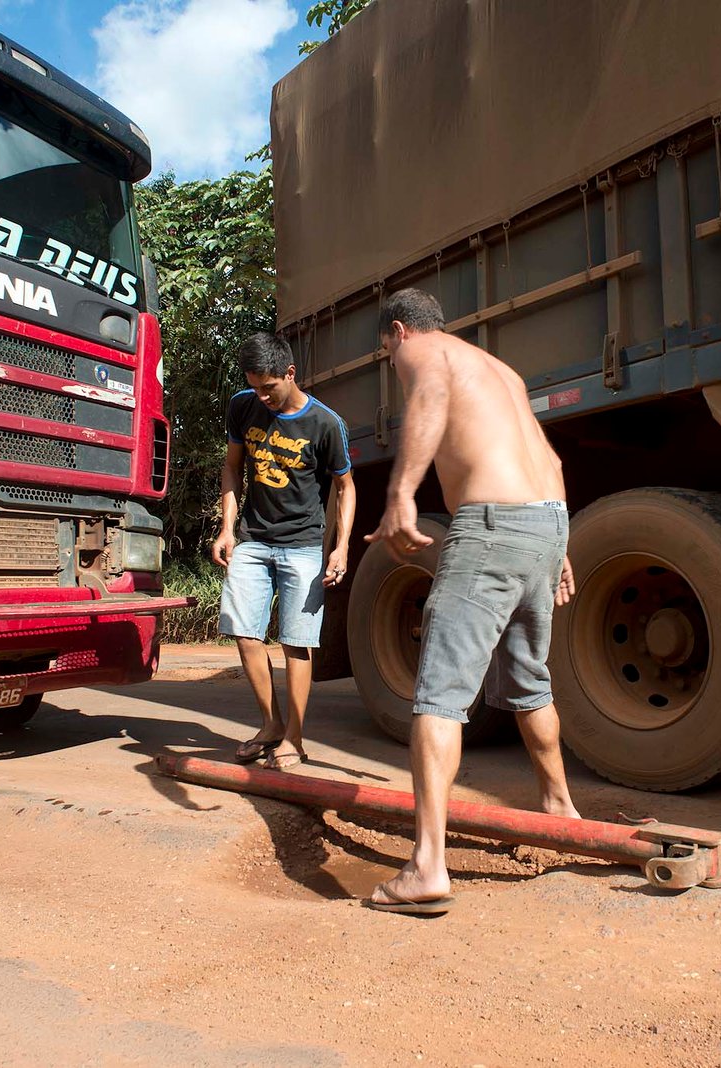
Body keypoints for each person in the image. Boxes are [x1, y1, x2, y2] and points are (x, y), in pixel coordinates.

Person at [363, 288, 579, 916]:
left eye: (386, 351)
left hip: (491, 526)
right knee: (530, 679)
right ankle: (559, 807)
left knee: (439, 692)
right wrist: (558, 543)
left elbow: (428, 395)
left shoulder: (426, 355)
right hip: (546, 521)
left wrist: (401, 491)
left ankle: (428, 866)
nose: (392, 361)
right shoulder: (501, 371)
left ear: (400, 331)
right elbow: (553, 458)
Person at [212, 332, 355, 770]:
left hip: (303, 545)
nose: (262, 396)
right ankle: (271, 724)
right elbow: (233, 468)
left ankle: (294, 737)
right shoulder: (243, 405)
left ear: (290, 374)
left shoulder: (326, 424)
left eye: (268, 387)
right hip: (254, 538)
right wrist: (226, 528)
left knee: (296, 642)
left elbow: (345, 488)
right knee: (244, 630)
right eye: (255, 387)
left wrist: (341, 546)